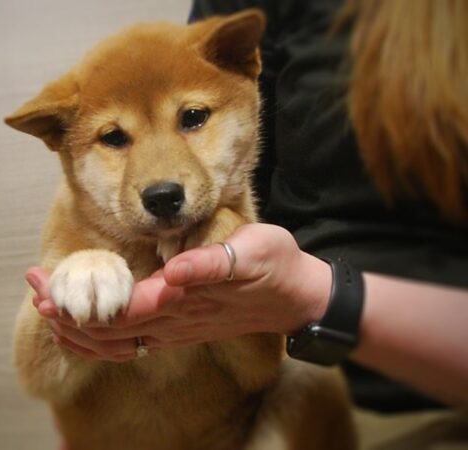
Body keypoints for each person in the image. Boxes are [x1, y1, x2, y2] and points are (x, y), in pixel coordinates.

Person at [25, 0, 468, 412]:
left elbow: (259, 368)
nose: (160, 178)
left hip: (352, 386)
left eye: (193, 118)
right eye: (115, 138)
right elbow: (42, 378)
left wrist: (309, 295)